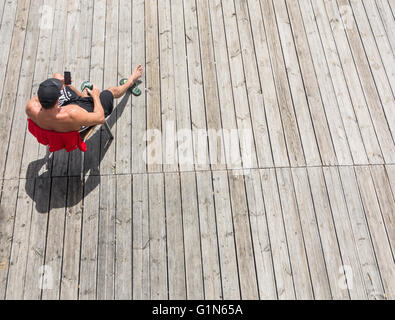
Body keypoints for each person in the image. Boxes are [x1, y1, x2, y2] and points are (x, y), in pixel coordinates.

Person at [25, 64, 144, 132]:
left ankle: (83, 95)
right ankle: (130, 81)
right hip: (83, 117)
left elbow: (49, 92)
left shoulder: (31, 107)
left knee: (57, 76)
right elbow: (100, 118)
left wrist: (59, 83)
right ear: (57, 100)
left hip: (61, 111)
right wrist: (96, 96)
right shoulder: (73, 113)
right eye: (59, 90)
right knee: (111, 91)